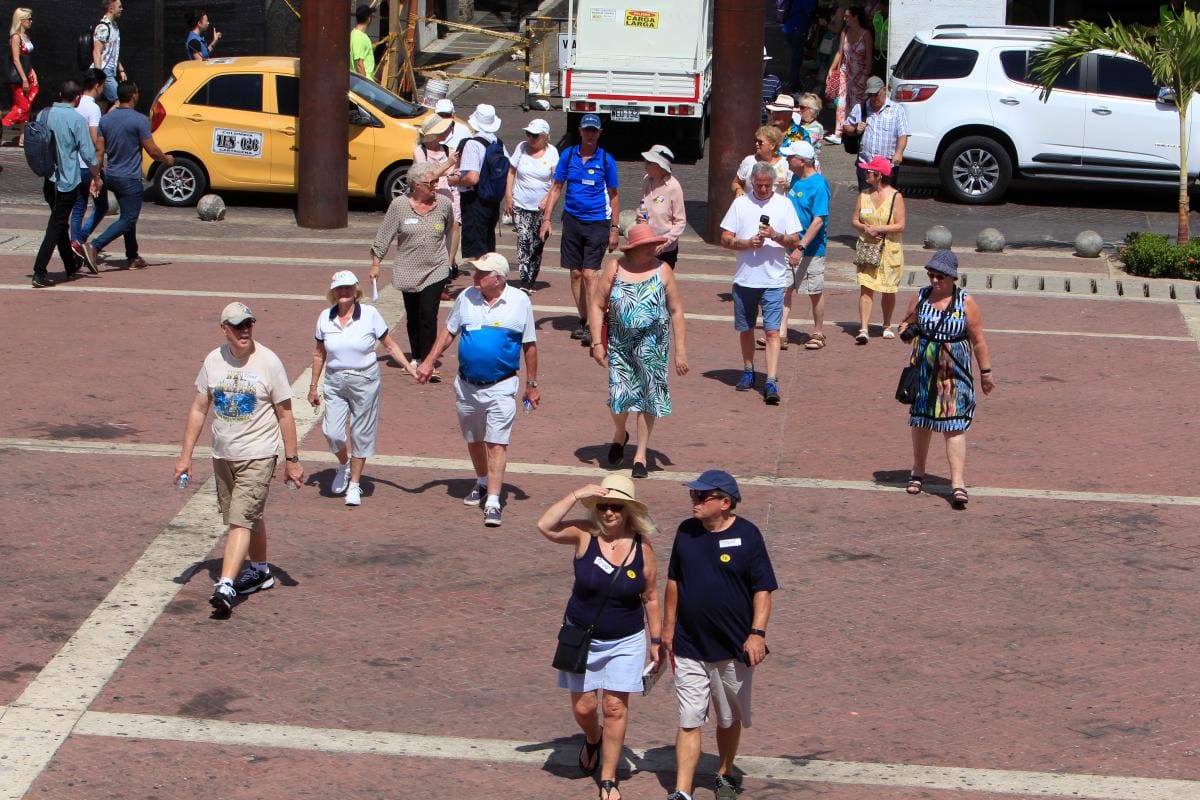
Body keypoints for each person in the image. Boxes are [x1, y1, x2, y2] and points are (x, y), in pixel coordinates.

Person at [173, 302, 306, 615]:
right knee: (249, 516)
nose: (244, 331)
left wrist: (292, 459)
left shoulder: (268, 362)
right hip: (223, 454)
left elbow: (285, 413)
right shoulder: (212, 361)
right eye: (237, 326)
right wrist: (185, 456)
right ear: (224, 330)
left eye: (249, 324)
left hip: (259, 454)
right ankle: (260, 571)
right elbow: (199, 408)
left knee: (239, 519)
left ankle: (225, 584)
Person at [537, 474, 664, 800]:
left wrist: (656, 641)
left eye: (616, 507)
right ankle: (592, 737)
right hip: (581, 637)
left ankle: (608, 778)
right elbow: (546, 526)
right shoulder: (584, 534)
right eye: (604, 506)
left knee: (614, 709)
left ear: (628, 512)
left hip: (626, 639)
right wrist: (576, 494)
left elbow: (650, 596)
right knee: (584, 706)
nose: (609, 513)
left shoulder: (641, 547)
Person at [662, 469, 777, 800]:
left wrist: (757, 633)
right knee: (689, 718)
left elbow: (763, 589)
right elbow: (674, 581)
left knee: (728, 719)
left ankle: (725, 773)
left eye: (701, 496)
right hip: (688, 644)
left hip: (731, 647)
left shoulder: (749, 535)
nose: (694, 501)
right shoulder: (686, 532)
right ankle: (682, 791)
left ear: (725, 502)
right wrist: (667, 629)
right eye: (693, 495)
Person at [416, 253, 539, 528]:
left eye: (481, 274)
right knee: (474, 439)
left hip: (502, 385)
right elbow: (448, 332)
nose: (474, 278)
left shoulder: (520, 302)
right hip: (467, 384)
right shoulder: (467, 298)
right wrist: (427, 361)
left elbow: (529, 345)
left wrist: (531, 385)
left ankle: (494, 500)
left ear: (498, 278)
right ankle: (482, 481)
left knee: (496, 443)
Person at [588, 223, 689, 478]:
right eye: (648, 246)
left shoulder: (663, 270)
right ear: (634, 249)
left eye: (654, 245)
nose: (654, 249)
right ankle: (620, 433)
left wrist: (680, 351)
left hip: (653, 345)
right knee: (618, 398)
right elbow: (597, 305)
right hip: (620, 344)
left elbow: (676, 310)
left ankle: (640, 455)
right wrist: (596, 342)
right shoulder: (615, 267)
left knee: (648, 398)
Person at [309, 271, 418, 506]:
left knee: (361, 433)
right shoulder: (324, 318)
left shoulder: (370, 315)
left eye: (348, 288)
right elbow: (319, 354)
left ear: (356, 291)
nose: (344, 292)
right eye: (339, 288)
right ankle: (343, 465)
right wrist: (312, 386)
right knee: (332, 432)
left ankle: (355, 484)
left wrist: (409, 368)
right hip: (335, 381)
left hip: (365, 380)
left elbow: (389, 345)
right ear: (333, 293)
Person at [898, 251, 995, 510]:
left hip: (954, 374)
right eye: (931, 275)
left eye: (939, 276)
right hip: (923, 372)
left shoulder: (966, 302)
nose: (934, 280)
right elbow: (904, 326)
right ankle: (917, 472)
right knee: (921, 421)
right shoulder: (920, 297)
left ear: (952, 277)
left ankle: (958, 483)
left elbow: (978, 340)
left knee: (954, 426)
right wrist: (908, 331)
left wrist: (986, 373)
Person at [719, 162, 802, 405]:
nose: (764, 189)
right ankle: (748, 369)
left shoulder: (784, 204)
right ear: (751, 183)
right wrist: (746, 243)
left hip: (774, 280)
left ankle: (772, 380)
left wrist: (775, 235)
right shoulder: (740, 203)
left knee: (773, 331)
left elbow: (795, 240)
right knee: (745, 328)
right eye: (759, 185)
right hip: (745, 279)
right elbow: (725, 238)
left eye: (768, 185)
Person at [540, 113, 621, 346]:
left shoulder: (606, 160)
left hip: (597, 222)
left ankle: (593, 324)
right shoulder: (568, 155)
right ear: (580, 131)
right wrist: (547, 219)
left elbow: (614, 197)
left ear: (599, 134)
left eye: (593, 131)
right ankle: (583, 318)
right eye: (586, 130)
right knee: (575, 273)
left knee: (589, 273)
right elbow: (556, 188)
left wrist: (614, 229)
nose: (590, 135)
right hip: (572, 221)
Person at [369, 161, 453, 380]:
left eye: (436, 180)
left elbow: (452, 230)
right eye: (430, 182)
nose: (435, 184)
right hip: (408, 269)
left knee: (428, 314)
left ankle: (428, 361)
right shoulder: (399, 206)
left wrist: (449, 261)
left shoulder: (443, 203)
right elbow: (384, 236)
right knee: (413, 316)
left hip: (435, 268)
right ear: (416, 185)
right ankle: (416, 355)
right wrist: (376, 263)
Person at [82, 82, 174, 272]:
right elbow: (151, 149)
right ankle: (95, 246)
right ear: (133, 95)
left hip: (111, 175)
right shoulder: (140, 120)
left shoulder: (106, 120)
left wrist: (97, 176)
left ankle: (132, 257)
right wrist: (166, 159)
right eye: (138, 92)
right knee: (129, 218)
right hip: (130, 178)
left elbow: (99, 151)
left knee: (127, 216)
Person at [30, 80, 101, 289]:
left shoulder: (43, 114)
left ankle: (70, 265)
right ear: (77, 97)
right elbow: (88, 154)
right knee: (55, 226)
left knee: (60, 223)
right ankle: (39, 271)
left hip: (47, 179)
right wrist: (97, 177)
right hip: (67, 181)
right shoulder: (77, 119)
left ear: (60, 94)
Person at [850, 155, 905, 343]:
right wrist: (865, 228)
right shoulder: (864, 195)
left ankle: (886, 324)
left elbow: (900, 225)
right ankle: (864, 328)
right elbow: (854, 220)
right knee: (866, 288)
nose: (865, 173)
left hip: (889, 250)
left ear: (879, 175)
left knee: (888, 289)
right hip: (868, 247)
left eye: (869, 171)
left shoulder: (895, 197)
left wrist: (879, 228)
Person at [782, 140, 831, 350]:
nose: (786, 159)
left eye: (790, 157)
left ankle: (818, 332)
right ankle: (781, 333)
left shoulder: (819, 185)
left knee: (814, 291)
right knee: (784, 289)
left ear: (802, 161)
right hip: (788, 244)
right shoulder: (794, 179)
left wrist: (800, 247)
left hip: (811, 249)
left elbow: (818, 220)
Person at [504, 117, 559, 293]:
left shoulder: (552, 152)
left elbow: (556, 182)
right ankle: (524, 280)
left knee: (537, 243)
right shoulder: (521, 147)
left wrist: (547, 199)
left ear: (545, 136)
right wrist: (508, 196)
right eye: (529, 134)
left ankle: (532, 276)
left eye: (535, 135)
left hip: (541, 207)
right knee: (523, 240)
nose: (531, 138)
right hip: (521, 203)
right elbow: (511, 172)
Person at [449, 103, 505, 260]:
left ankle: (483, 283)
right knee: (488, 244)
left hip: (474, 200)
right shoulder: (497, 142)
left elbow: (472, 178)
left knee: (478, 251)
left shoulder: (473, 144)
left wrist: (453, 180)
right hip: (492, 199)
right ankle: (489, 280)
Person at [412, 115, 462, 278]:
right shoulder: (420, 151)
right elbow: (427, 176)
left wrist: (456, 172)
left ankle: (448, 263)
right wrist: (448, 164)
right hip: (430, 194)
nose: (446, 132)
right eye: (443, 130)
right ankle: (432, 263)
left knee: (454, 225)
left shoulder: (447, 149)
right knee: (434, 228)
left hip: (449, 191)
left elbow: (452, 173)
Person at [69, 69, 108, 265]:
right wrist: (98, 171)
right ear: (97, 85)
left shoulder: (74, 103)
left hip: (74, 163)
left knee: (78, 207)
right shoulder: (93, 109)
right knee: (102, 206)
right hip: (88, 164)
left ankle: (74, 243)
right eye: (104, 85)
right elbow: (95, 140)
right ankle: (80, 240)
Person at [845, 75, 910, 190]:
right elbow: (846, 126)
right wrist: (856, 129)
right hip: (866, 165)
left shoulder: (897, 110)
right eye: (870, 95)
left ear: (884, 90)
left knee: (885, 202)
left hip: (887, 166)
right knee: (866, 203)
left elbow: (903, 134)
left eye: (876, 94)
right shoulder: (861, 108)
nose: (874, 98)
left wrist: (899, 152)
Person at [826, 5, 871, 145]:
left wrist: (866, 76)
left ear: (855, 17)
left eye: (847, 16)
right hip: (846, 71)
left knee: (856, 104)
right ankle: (838, 133)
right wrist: (832, 69)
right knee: (841, 102)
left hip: (860, 73)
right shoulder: (844, 32)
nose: (844, 19)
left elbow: (869, 58)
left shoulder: (866, 34)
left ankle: (853, 133)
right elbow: (840, 53)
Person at [638, 144, 686, 268]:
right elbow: (643, 205)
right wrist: (641, 216)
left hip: (664, 250)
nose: (645, 164)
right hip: (646, 243)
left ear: (660, 166)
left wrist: (664, 243)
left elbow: (680, 222)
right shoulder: (647, 180)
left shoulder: (673, 187)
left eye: (649, 162)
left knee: (660, 285)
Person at [3, 8, 37, 146]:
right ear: (21, 20)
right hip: (19, 77)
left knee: (27, 106)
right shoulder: (16, 37)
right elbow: (16, 59)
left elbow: (26, 58)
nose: (31, 21)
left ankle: (22, 138)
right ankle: (3, 123)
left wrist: (32, 72)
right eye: (28, 19)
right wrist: (24, 78)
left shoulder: (26, 36)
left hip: (28, 73)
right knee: (22, 106)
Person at [729, 126, 789, 199]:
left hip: (775, 208)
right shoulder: (749, 161)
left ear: (772, 146)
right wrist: (738, 190)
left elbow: (792, 190)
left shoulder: (785, 163)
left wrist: (787, 185)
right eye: (756, 141)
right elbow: (735, 183)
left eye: (760, 142)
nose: (756, 144)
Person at [92, 0, 126, 108]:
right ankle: (105, 123)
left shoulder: (114, 26)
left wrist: (121, 69)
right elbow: (97, 51)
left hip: (111, 71)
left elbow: (113, 52)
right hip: (104, 71)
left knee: (104, 103)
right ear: (111, 9)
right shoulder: (103, 27)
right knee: (120, 102)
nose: (122, 9)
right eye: (119, 7)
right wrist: (99, 75)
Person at [781, 0, 817, 92]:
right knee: (796, 59)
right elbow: (810, 10)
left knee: (795, 58)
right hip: (797, 28)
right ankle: (795, 87)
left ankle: (794, 85)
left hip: (792, 27)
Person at [795, 93, 825, 170]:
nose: (798, 109)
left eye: (802, 107)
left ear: (812, 110)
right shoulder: (798, 123)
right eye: (798, 106)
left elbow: (802, 141)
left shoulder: (817, 127)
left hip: (809, 166)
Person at [350, 4, 375, 80]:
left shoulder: (355, 34)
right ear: (368, 18)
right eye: (372, 16)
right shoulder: (359, 37)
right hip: (364, 83)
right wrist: (365, 86)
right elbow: (359, 65)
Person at [760, 48, 781, 124]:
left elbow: (779, 103)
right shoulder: (744, 80)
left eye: (764, 61)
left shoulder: (774, 80)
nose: (762, 64)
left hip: (767, 125)